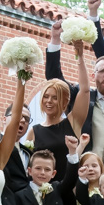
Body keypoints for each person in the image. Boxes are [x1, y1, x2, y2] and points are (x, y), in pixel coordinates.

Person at [46, 19, 104, 171]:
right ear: (94, 76)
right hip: (83, 174)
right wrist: (55, 39)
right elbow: (54, 78)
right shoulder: (80, 98)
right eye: (101, 71)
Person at [29, 41, 89, 182]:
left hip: (68, 190)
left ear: (64, 102)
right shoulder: (34, 131)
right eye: (46, 96)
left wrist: (80, 56)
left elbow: (85, 90)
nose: (49, 101)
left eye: (55, 98)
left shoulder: (72, 122)